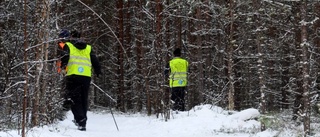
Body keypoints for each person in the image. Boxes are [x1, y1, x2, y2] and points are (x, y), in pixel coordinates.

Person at [60, 30, 102, 131]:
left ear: (71, 36)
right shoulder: (88, 47)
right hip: (86, 76)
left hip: (73, 75)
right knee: (83, 99)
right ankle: (83, 121)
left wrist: (62, 67)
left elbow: (65, 57)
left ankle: (80, 120)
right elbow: (95, 60)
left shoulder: (69, 45)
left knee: (74, 99)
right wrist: (98, 71)